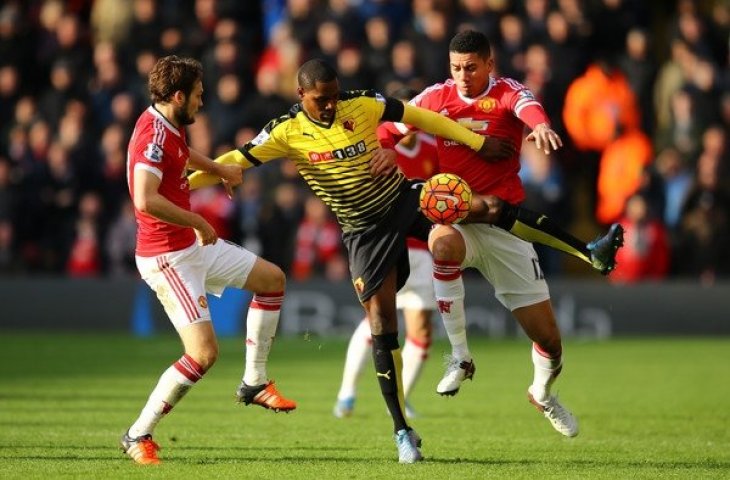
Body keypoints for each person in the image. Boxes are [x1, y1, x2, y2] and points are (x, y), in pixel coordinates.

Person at [188, 58, 514, 463]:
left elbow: (423, 117)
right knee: (381, 325)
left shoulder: (361, 104)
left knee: (487, 207)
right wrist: (175, 186)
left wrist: (478, 142)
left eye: (334, 96)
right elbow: (232, 162)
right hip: (363, 233)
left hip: (400, 200)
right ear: (301, 95)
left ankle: (581, 249)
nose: (330, 105)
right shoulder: (285, 131)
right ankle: (402, 431)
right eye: (321, 100)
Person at [378, 30, 625, 438]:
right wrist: (386, 145)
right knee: (441, 244)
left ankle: (542, 393)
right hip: (459, 219)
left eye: (471, 67)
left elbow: (528, 107)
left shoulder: (508, 91)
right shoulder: (437, 97)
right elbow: (393, 124)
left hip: (505, 227)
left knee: (550, 342)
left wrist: (542, 126)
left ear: (489, 65)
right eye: (456, 67)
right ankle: (460, 356)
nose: (462, 76)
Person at [120, 55, 296, 466]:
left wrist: (218, 168)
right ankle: (137, 434)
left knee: (272, 279)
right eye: (198, 95)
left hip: (192, 246)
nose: (202, 101)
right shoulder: (153, 136)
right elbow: (145, 198)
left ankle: (254, 382)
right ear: (178, 95)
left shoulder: (169, 123)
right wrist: (197, 218)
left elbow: (181, 156)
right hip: (168, 256)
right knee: (203, 354)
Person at [333, 87, 438, 420]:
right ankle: (347, 393)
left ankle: (400, 398)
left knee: (421, 331)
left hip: (424, 248)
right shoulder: (373, 145)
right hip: (388, 243)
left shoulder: (432, 150)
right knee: (378, 321)